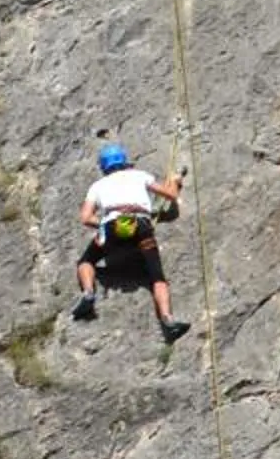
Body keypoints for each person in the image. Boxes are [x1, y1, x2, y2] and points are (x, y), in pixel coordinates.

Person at [73, 143, 191, 343]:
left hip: (112, 227)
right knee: (157, 277)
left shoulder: (97, 186)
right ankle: (168, 320)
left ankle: (88, 293)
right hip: (141, 227)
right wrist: (175, 180)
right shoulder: (140, 176)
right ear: (124, 161)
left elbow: (85, 218)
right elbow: (171, 195)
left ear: (104, 166)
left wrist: (103, 224)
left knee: (86, 261)